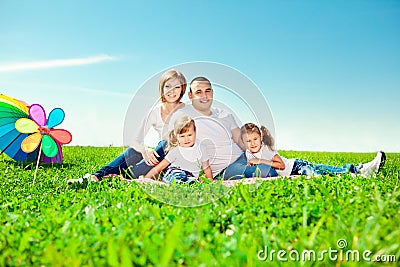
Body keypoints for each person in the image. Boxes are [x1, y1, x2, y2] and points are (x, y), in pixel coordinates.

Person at [68, 69, 187, 184]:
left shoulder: (186, 110)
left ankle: (123, 177)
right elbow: (135, 140)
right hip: (159, 155)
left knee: (166, 144)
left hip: (177, 156)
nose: (172, 91)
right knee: (133, 151)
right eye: (168, 86)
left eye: (177, 87)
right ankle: (95, 176)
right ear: (162, 88)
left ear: (182, 90)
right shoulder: (154, 112)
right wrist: (145, 151)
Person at [166, 77, 278, 180]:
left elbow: (240, 140)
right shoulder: (184, 114)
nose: (204, 96)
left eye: (207, 91)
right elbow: (170, 141)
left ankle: (293, 165)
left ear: (212, 93)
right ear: (190, 96)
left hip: (243, 157)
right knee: (267, 172)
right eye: (198, 92)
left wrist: (262, 153)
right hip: (225, 168)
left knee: (275, 165)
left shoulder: (225, 114)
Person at [240, 122, 386, 178]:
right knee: (323, 169)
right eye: (248, 141)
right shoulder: (248, 153)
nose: (252, 143)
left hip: (295, 166)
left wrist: (260, 160)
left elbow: (281, 166)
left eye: (255, 139)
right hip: (294, 169)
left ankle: (358, 173)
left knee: (316, 174)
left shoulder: (266, 150)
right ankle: (358, 168)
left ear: (260, 138)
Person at [143, 115, 213, 184]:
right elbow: (159, 167)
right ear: (177, 137)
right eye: (182, 136)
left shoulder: (201, 148)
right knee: (178, 176)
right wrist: (146, 178)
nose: (186, 139)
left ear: (195, 133)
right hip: (174, 172)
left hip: (190, 176)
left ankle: (188, 183)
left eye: (189, 135)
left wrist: (210, 180)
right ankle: (181, 183)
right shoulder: (176, 151)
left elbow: (206, 168)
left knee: (192, 180)